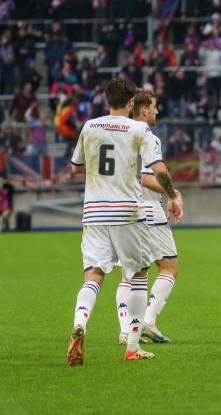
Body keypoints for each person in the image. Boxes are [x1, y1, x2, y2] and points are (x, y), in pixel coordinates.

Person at [67, 78, 182, 365]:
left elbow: (75, 168)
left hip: (93, 211)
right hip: (127, 212)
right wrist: (173, 194)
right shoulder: (139, 129)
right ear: (131, 102)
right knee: (139, 274)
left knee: (93, 274)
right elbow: (159, 169)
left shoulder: (90, 126)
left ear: (107, 100)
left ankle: (80, 322)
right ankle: (132, 345)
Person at [116, 89, 184, 346]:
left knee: (128, 273)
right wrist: (174, 193)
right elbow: (146, 177)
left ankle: (125, 330)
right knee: (169, 266)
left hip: (122, 209)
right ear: (144, 109)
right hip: (147, 208)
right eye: (154, 106)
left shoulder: (117, 133)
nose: (157, 111)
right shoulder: (145, 135)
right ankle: (148, 319)